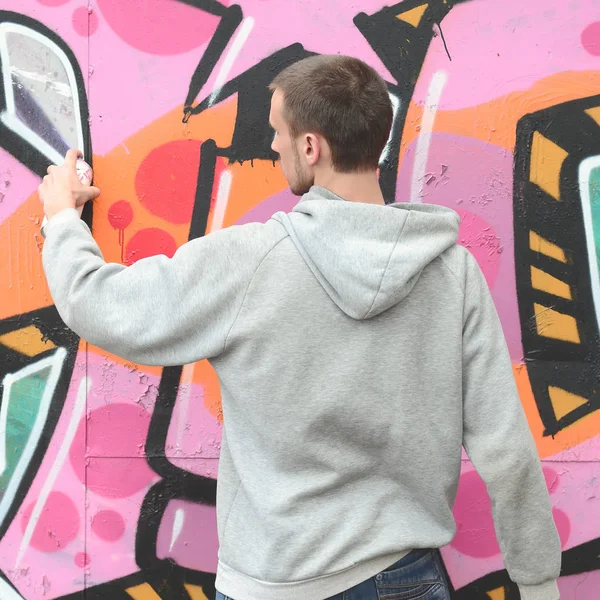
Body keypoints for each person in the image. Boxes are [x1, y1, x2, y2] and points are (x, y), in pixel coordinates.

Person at [39, 55, 561, 600]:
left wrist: (60, 220)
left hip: (276, 585)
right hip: (406, 579)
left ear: (311, 147)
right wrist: (539, 584)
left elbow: (101, 304)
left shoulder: (250, 260)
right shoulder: (453, 272)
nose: (272, 147)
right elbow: (505, 448)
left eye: (277, 132)